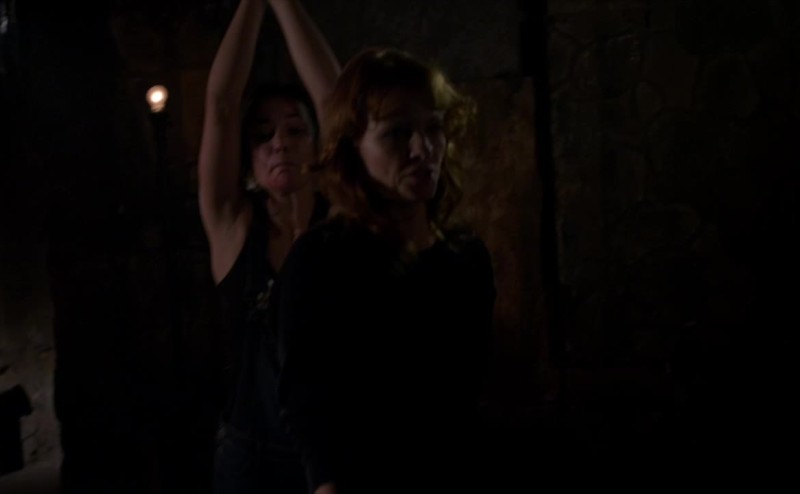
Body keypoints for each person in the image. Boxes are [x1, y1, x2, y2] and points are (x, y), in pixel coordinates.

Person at [273, 47, 496, 494]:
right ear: (353, 148)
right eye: (397, 133)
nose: (423, 149)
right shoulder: (322, 260)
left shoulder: (464, 256)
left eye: (433, 128)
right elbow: (311, 410)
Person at [197, 0, 339, 492]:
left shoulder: (338, 225)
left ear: (318, 147)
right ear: (249, 158)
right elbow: (221, 105)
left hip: (331, 452)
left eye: (296, 130)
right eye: (263, 135)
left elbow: (336, 101)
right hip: (248, 456)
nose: (280, 143)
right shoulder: (232, 226)